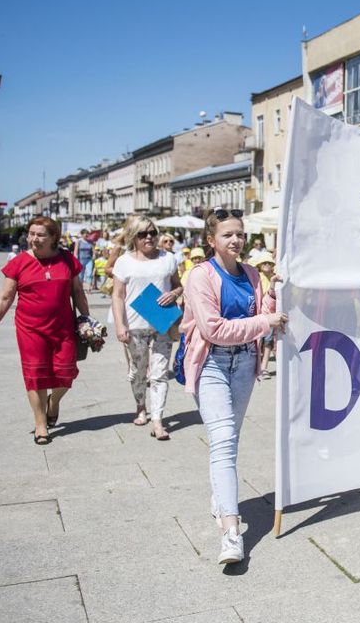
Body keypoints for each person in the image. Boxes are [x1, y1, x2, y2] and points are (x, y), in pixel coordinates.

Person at [181, 208, 287, 565]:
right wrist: (263, 320)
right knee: (224, 440)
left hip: (244, 363)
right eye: (228, 235)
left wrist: (274, 295)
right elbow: (213, 329)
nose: (236, 240)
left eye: (240, 234)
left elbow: (264, 311)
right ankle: (230, 532)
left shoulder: (253, 274)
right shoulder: (201, 276)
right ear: (211, 241)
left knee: (230, 437)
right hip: (211, 362)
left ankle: (220, 498)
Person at [0, 216, 89, 445]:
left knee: (66, 374)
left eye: (40, 235)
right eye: (31, 234)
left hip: (63, 328)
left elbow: (78, 291)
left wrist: (86, 319)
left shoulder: (67, 260)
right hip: (31, 329)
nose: (33, 239)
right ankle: (41, 425)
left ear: (53, 238)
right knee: (36, 377)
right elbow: (5, 297)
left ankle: (54, 402)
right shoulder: (19, 263)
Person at [112, 217, 182, 440]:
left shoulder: (168, 259)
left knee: (160, 374)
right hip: (135, 325)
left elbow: (178, 285)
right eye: (143, 234)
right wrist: (120, 324)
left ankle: (158, 420)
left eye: (153, 232)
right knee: (138, 372)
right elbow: (118, 295)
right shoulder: (124, 262)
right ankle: (141, 405)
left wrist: (174, 293)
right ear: (134, 237)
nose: (150, 237)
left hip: (163, 323)